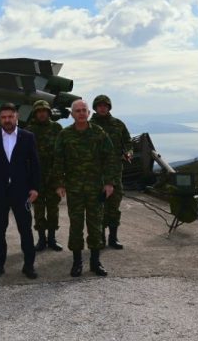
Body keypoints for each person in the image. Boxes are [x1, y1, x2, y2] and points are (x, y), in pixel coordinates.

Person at [53, 99, 118, 277]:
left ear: (89, 113)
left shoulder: (99, 133)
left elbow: (110, 158)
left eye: (84, 110)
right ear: (72, 114)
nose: (81, 113)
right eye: (77, 111)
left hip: (95, 188)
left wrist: (109, 183)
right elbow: (58, 160)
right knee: (76, 226)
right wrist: (59, 184)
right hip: (74, 188)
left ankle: (95, 262)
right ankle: (77, 262)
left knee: (95, 225)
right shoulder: (65, 135)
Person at [0, 103, 41, 280]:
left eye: (10, 117)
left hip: (22, 192)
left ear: (16, 117)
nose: (7, 120)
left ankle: (28, 265)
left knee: (25, 230)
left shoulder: (28, 137)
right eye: (4, 117)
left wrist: (35, 188)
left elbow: (35, 165)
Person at [91, 94, 133, 249]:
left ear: (109, 107)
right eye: (99, 106)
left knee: (114, 206)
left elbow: (128, 142)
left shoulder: (118, 125)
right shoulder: (90, 125)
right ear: (95, 108)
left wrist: (128, 152)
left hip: (115, 172)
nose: (102, 108)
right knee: (99, 207)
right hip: (97, 173)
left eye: (105, 106)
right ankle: (100, 237)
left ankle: (113, 238)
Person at [25, 99, 63, 252]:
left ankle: (52, 239)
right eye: (39, 111)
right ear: (35, 113)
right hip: (36, 177)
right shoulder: (29, 130)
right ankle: (41, 239)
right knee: (39, 210)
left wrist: (61, 179)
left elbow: (62, 153)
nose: (42, 114)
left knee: (53, 209)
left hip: (54, 176)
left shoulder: (57, 128)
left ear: (48, 113)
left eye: (44, 111)